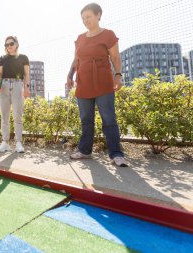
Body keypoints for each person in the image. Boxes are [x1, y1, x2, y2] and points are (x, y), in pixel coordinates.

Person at [66, 3, 128, 167]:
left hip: (103, 82)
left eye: (89, 17)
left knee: (108, 119)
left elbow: (115, 58)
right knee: (86, 120)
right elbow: (76, 59)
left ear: (98, 15)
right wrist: (69, 75)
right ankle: (85, 151)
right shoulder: (80, 38)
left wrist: (118, 76)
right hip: (83, 82)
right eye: (83, 18)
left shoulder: (108, 35)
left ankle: (116, 154)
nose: (85, 20)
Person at [0, 36, 30, 153]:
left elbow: (26, 74)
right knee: (4, 116)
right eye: (6, 45)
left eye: (11, 44)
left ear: (16, 44)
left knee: (17, 115)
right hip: (4, 86)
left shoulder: (23, 58)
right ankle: (5, 143)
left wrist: (26, 88)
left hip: (17, 86)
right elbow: (0, 74)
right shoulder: (2, 58)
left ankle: (18, 143)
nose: (9, 46)